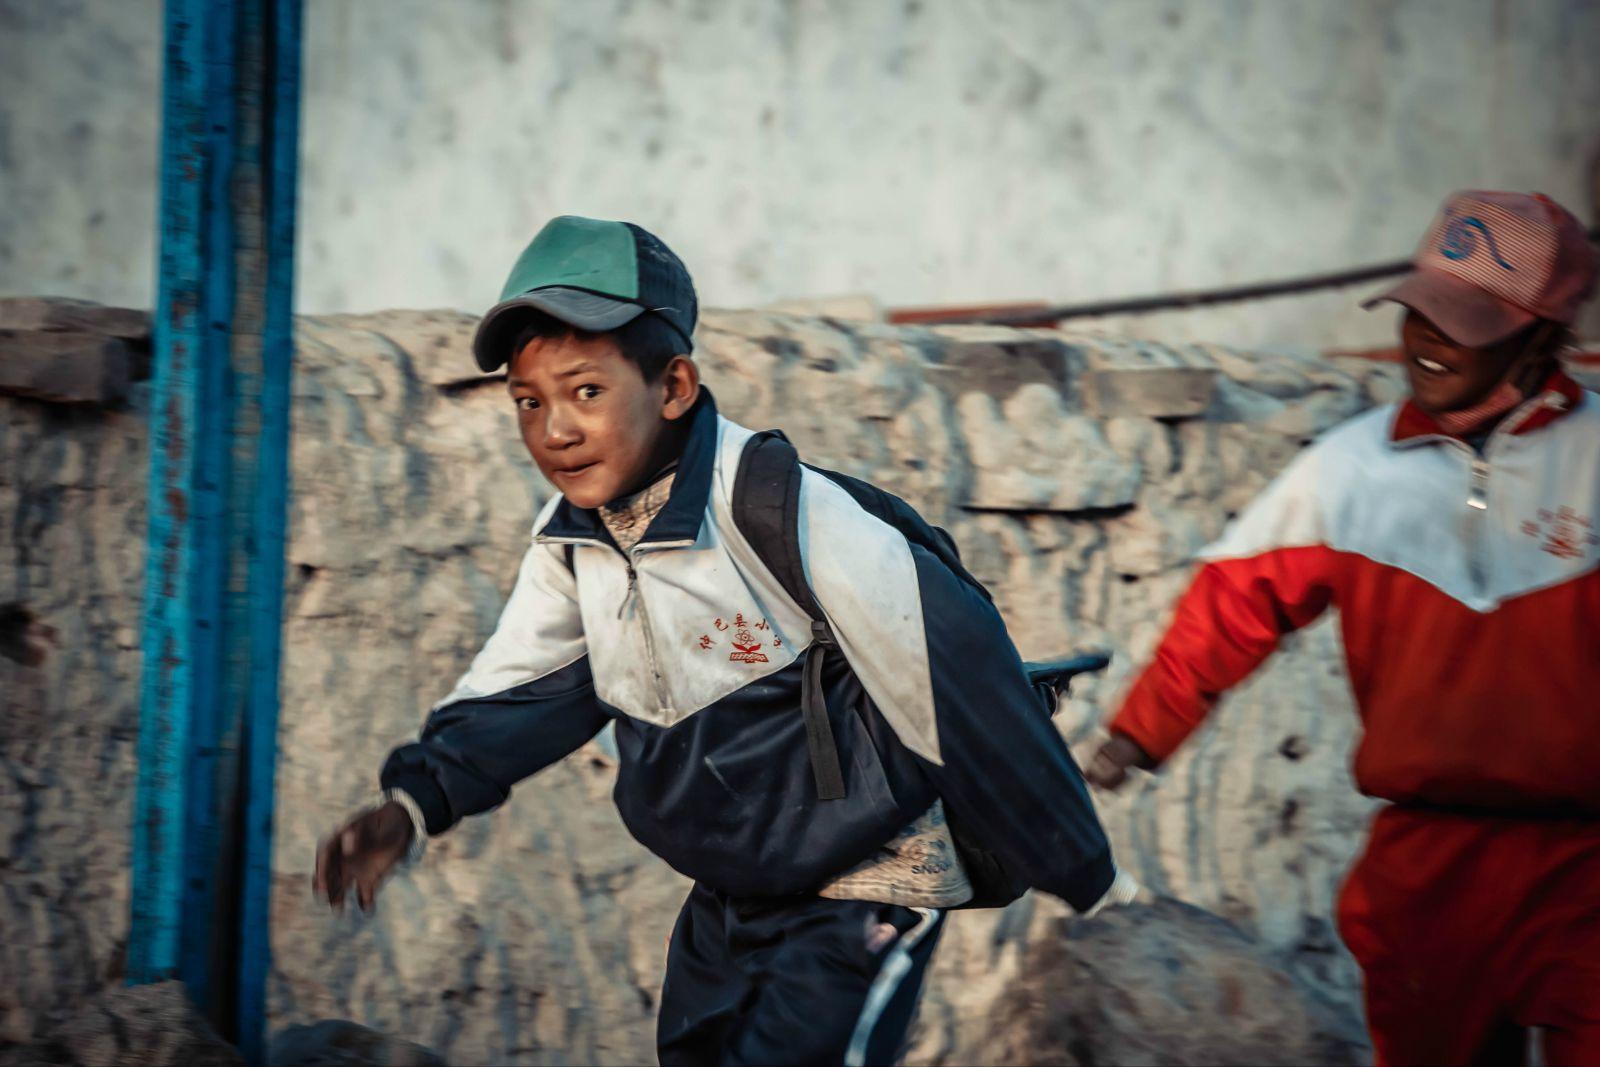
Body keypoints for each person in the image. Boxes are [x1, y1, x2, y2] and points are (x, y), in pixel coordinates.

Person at [313, 215, 1126, 1066]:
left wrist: (1087, 873)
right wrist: (409, 807)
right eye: (530, 401)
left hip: (868, 879)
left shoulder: (778, 507)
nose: (554, 429)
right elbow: (517, 691)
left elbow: (955, 669)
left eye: (586, 391)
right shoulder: (578, 545)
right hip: (736, 885)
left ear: (674, 387)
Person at [1086, 190, 1600, 1066]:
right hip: (1425, 864)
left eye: (1464, 323)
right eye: (1419, 314)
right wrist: (1137, 735)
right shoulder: (1349, 469)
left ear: (1543, 338)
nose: (1427, 343)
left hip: (1586, 862)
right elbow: (1229, 608)